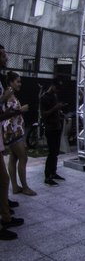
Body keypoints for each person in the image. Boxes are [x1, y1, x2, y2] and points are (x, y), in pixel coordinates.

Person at [0, 46, 25, 240]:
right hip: (12, 134)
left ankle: (6, 214)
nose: (6, 57)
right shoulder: (7, 93)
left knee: (5, 176)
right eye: (2, 54)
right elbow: (5, 115)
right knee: (19, 160)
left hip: (6, 136)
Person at [4, 72, 34, 196]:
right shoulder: (9, 95)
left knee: (13, 158)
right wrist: (21, 110)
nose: (20, 84)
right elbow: (7, 113)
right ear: (11, 82)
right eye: (17, 81)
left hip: (14, 131)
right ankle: (25, 187)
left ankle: (16, 187)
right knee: (23, 158)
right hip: (13, 132)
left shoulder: (10, 94)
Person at [40, 78, 66, 186]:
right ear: (52, 86)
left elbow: (56, 110)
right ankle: (47, 176)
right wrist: (55, 108)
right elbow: (43, 114)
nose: (57, 91)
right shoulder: (44, 98)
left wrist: (61, 113)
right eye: (56, 88)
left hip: (57, 126)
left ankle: (53, 172)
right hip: (50, 128)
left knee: (55, 152)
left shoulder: (54, 96)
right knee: (51, 153)